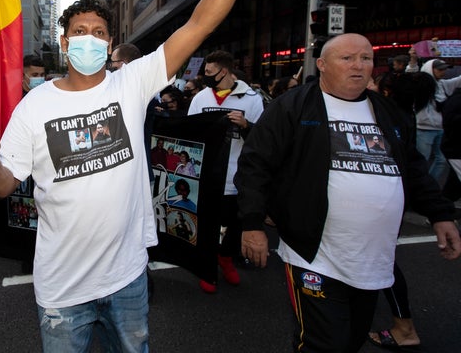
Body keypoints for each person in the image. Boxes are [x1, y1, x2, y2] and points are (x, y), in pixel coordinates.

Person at [0, 0, 286, 351]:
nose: (89, 39)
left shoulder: (131, 83)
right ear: (65, 43)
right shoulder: (34, 106)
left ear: (110, 46)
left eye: (99, 32)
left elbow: (201, 22)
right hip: (61, 291)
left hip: (127, 280)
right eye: (79, 32)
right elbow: (2, 186)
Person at [235, 33, 460, 353]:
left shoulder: (387, 112)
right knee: (323, 344)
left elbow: (412, 166)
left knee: (352, 339)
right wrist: (252, 223)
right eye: (347, 58)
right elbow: (255, 165)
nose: (359, 66)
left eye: (366, 58)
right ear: (322, 65)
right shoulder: (294, 106)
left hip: (372, 258)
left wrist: (440, 214)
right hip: (313, 254)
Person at [187, 49, 264, 292]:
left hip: (236, 175)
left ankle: (226, 258)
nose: (205, 76)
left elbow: (263, 138)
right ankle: (208, 269)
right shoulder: (201, 98)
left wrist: (245, 125)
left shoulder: (251, 99)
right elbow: (190, 131)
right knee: (208, 224)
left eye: (209, 72)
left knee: (233, 224)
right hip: (208, 174)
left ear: (224, 71)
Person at [406, 55, 461, 185]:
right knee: (422, 160)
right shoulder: (419, 84)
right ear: (431, 69)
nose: (443, 72)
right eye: (440, 69)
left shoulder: (443, 85)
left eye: (444, 69)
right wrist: (413, 60)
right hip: (423, 129)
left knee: (442, 161)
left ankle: (430, 185)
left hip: (440, 129)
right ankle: (419, 186)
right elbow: (410, 74)